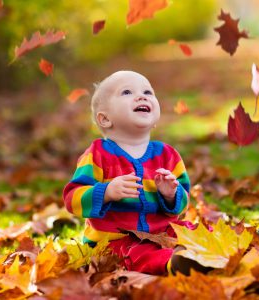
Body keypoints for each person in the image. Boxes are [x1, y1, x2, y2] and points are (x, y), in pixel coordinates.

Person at [62, 70, 206, 275]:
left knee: (194, 230)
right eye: (127, 92)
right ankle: (177, 263)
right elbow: (71, 199)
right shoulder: (97, 155)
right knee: (136, 254)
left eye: (148, 91)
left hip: (164, 232)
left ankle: (239, 246)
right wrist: (106, 191)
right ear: (105, 119)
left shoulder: (167, 154)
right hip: (116, 241)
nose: (142, 96)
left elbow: (182, 205)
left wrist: (171, 195)